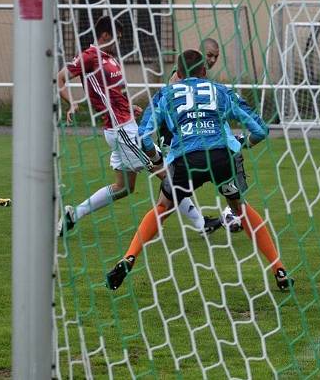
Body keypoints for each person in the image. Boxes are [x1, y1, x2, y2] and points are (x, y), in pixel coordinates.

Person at [106, 50, 294, 292]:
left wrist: (155, 158)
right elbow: (260, 130)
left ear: (178, 73)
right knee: (240, 207)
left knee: (163, 207)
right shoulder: (221, 90)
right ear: (204, 71)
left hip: (186, 160)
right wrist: (243, 142)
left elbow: (144, 136)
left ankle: (129, 257)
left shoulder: (166, 93)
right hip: (220, 157)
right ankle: (278, 267)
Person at [56, 16, 220, 236]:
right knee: (168, 174)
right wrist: (72, 103)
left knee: (124, 187)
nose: (120, 42)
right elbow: (60, 78)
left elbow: (111, 93)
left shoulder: (109, 59)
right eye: (118, 37)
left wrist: (129, 106)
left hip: (124, 126)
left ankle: (73, 215)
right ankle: (201, 224)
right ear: (105, 35)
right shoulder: (89, 57)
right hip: (122, 130)